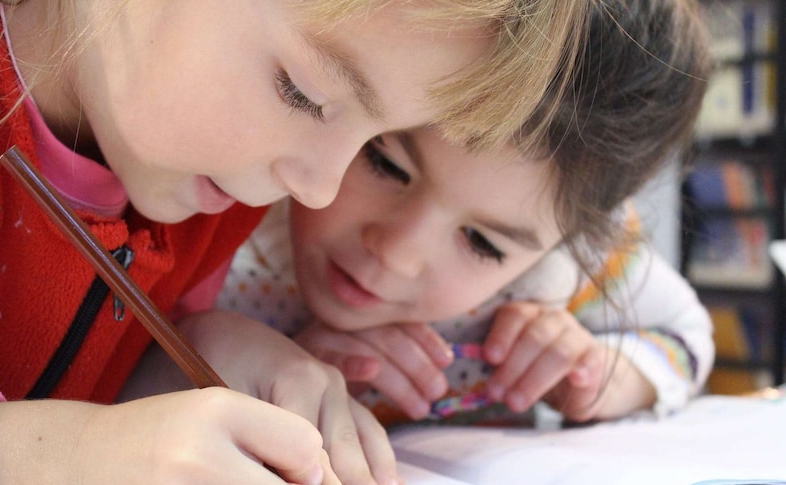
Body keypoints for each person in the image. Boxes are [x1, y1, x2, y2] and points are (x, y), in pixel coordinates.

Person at [0, 1, 591, 484]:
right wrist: (23, 457)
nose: (319, 190)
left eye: (370, 142)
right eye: (303, 94)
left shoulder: (205, 191)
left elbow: (75, 387)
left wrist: (194, 360)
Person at [201, 0, 715, 426]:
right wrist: (264, 366)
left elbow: (687, 334)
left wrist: (607, 375)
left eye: (483, 243)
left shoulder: (568, 272)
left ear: (568, 241)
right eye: (385, 164)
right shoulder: (227, 204)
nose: (398, 254)